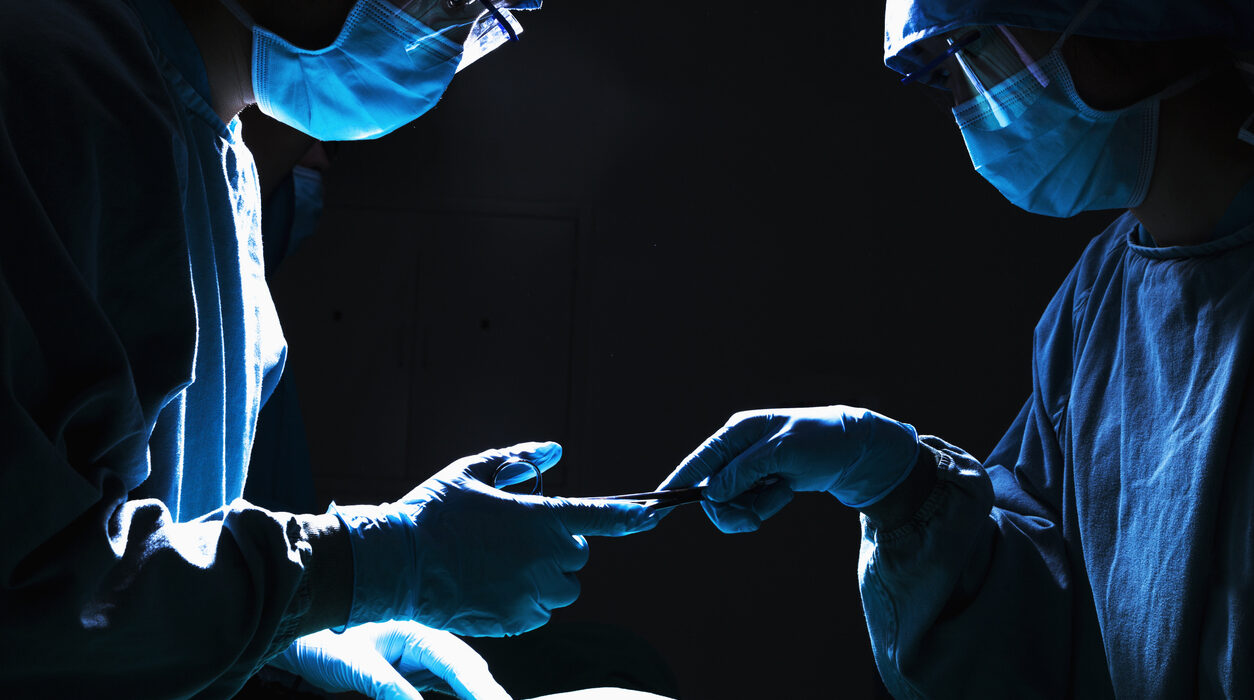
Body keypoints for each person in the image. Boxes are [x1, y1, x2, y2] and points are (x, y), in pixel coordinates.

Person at [0, 0, 660, 697]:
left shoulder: (221, 161)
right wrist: (372, 564)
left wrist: (300, 625)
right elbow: (36, 610)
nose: (455, 33)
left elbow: (168, 548)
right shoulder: (47, 90)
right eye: (454, 3)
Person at [658, 0, 1254, 696]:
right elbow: (1038, 633)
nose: (968, 103)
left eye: (974, 52)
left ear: (1117, 20)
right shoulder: (1096, 301)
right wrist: (901, 487)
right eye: (942, 77)